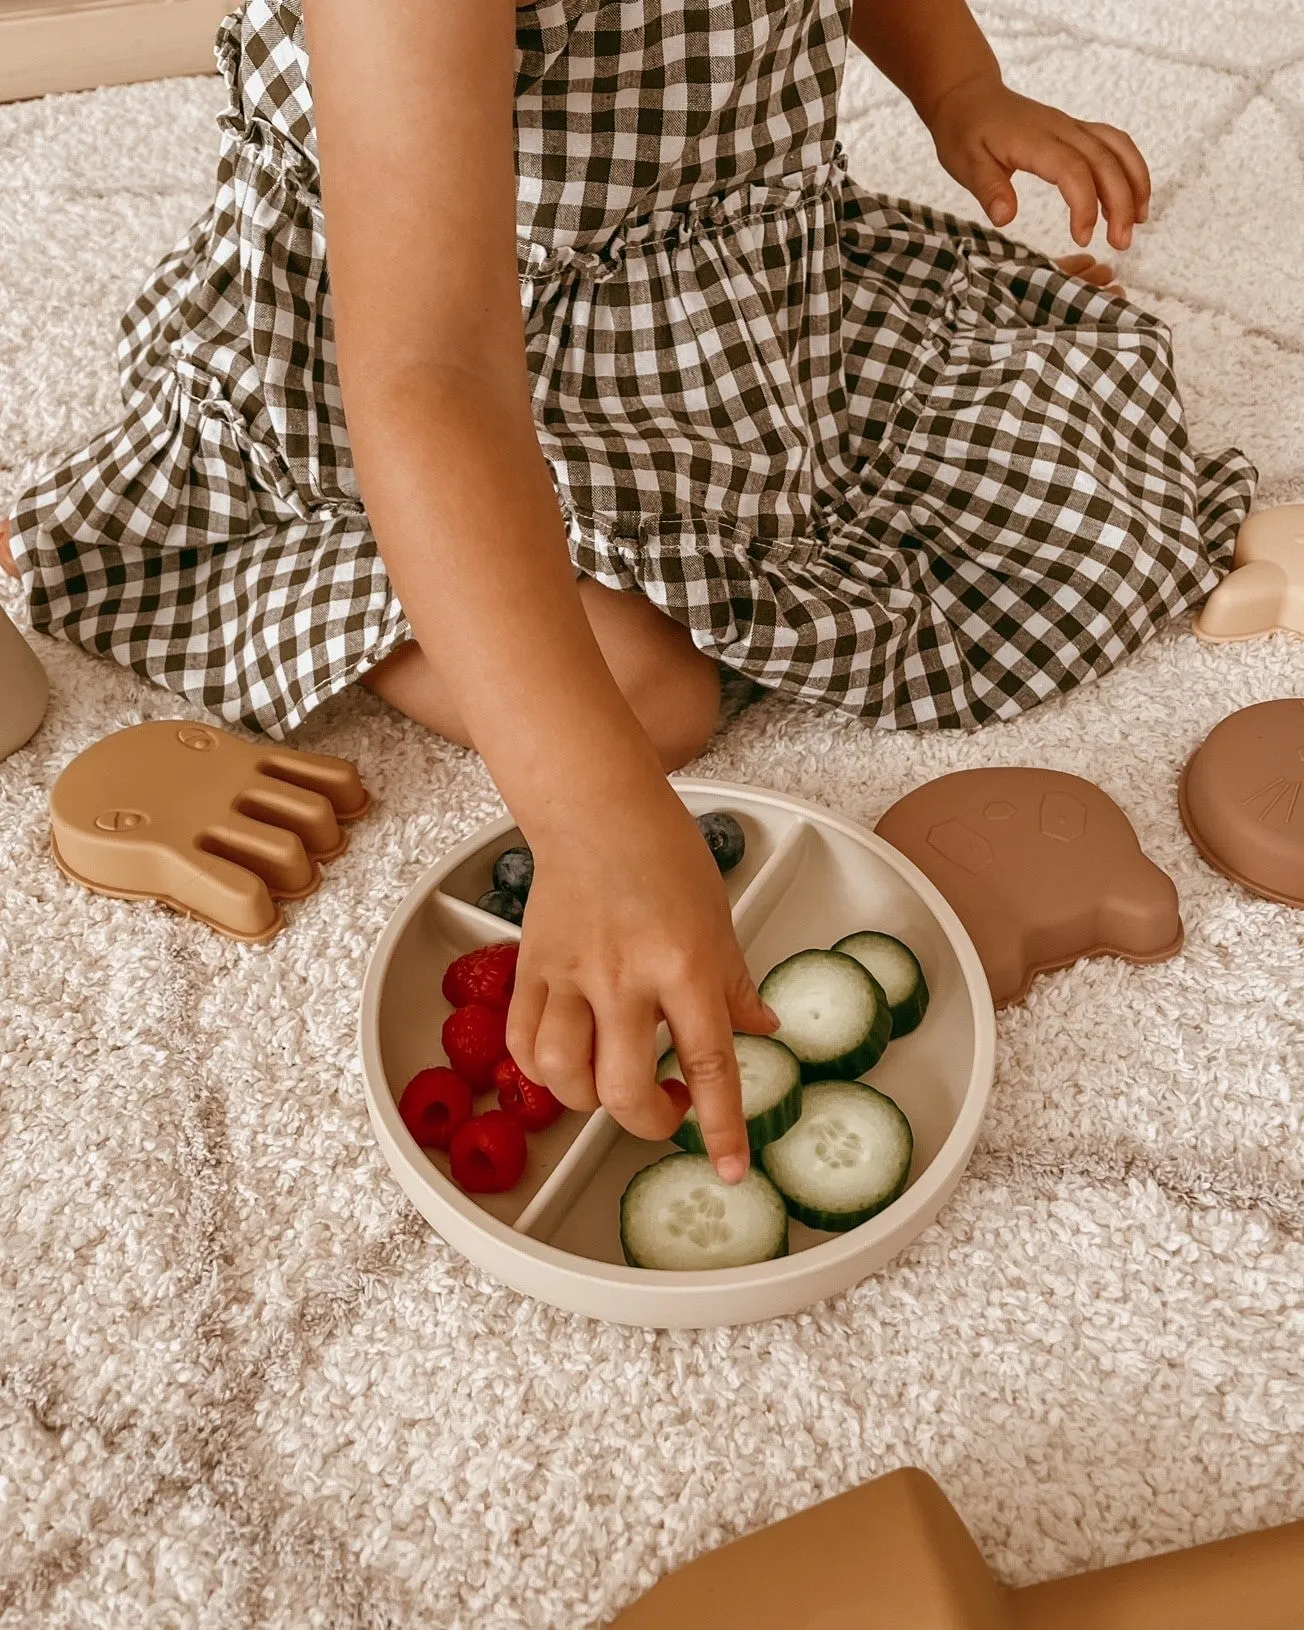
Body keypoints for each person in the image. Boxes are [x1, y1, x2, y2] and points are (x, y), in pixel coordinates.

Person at [1, 0, 1253, 1183]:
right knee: (639, 700)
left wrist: (961, 88)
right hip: (417, 363)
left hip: (705, 301)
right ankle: (343, 575)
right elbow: (429, 371)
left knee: (1073, 445)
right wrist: (593, 817)